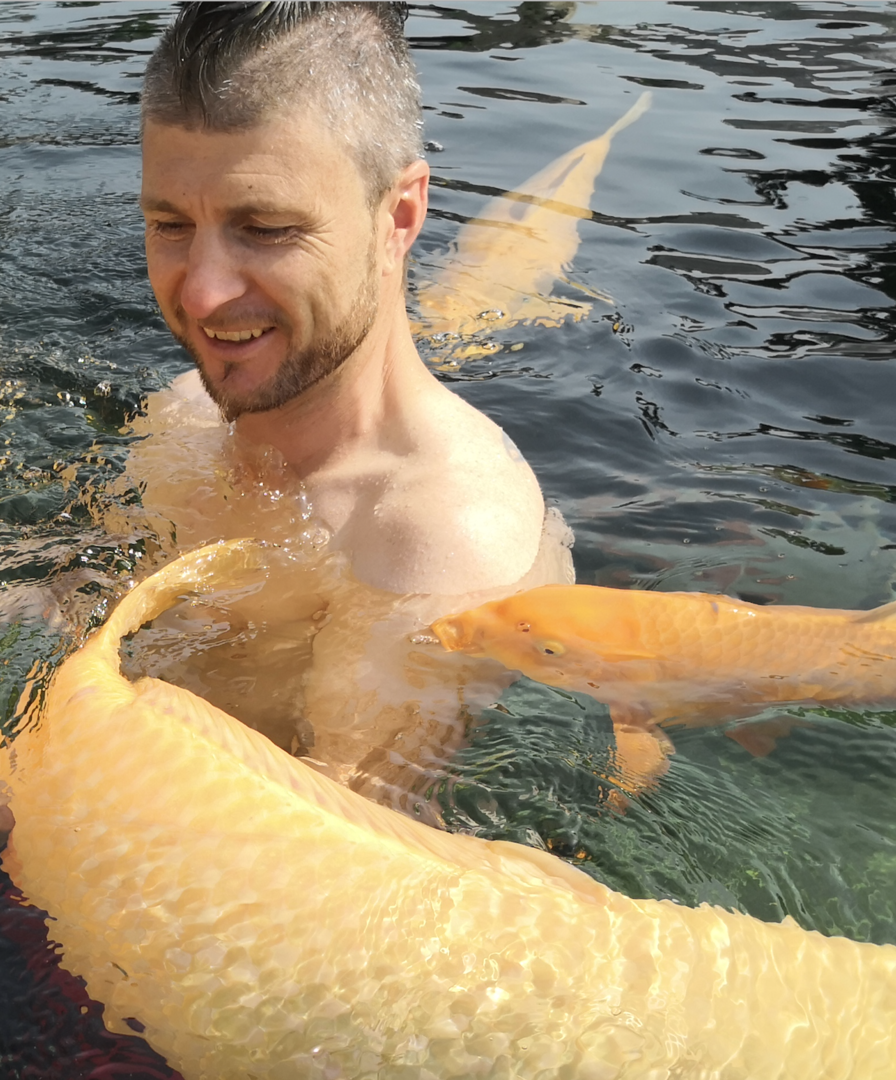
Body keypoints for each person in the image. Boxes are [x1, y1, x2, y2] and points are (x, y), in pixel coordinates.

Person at [119, 1, 577, 816]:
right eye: (169, 224)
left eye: (264, 228)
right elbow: (77, 602)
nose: (201, 290)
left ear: (397, 217)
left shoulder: (435, 547)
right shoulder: (182, 413)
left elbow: (322, 859)